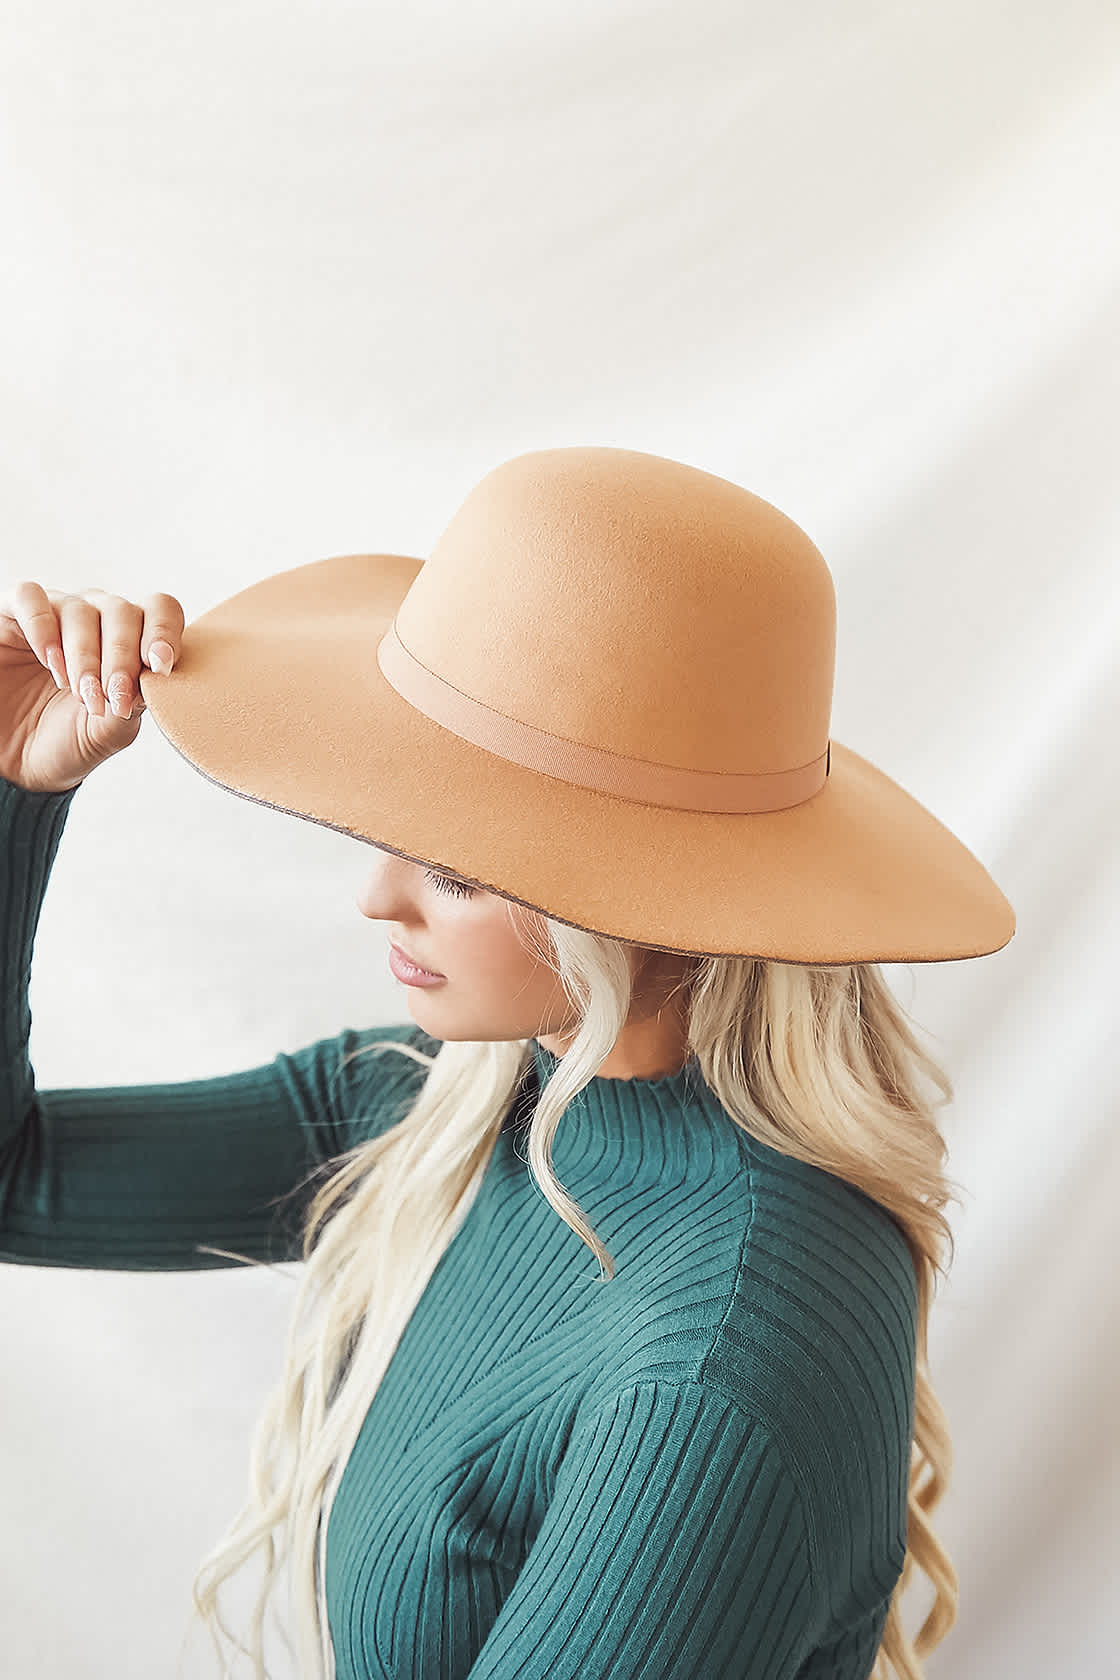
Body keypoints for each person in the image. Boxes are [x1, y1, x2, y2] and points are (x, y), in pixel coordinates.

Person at [0, 446, 1016, 1680]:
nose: (378, 898)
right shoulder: (459, 1098)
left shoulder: (714, 1371)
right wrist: (9, 790)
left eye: (456, 864)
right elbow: (19, 1182)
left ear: (642, 898)